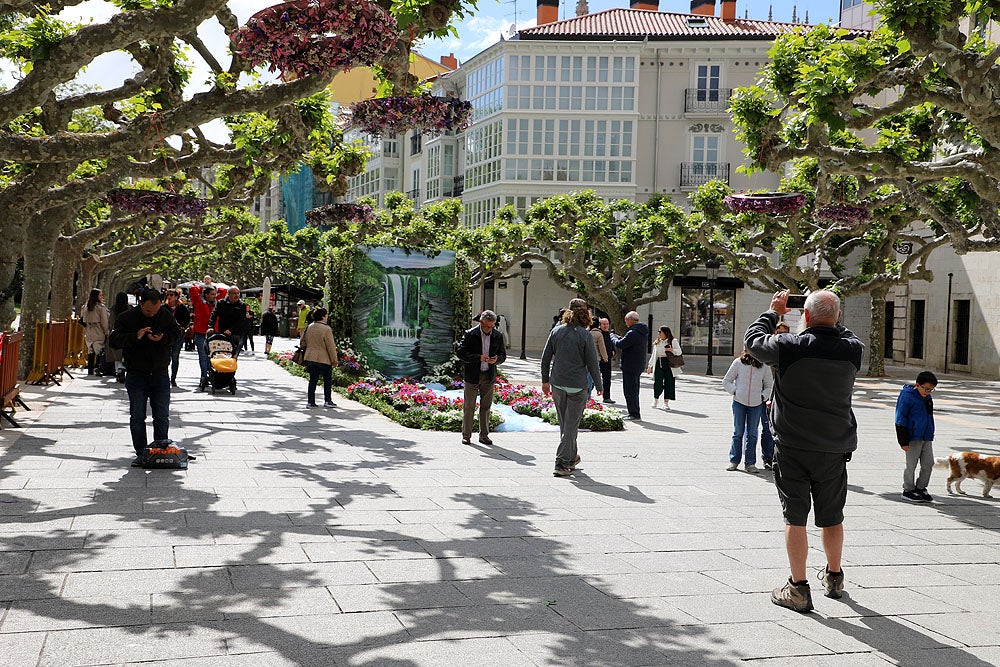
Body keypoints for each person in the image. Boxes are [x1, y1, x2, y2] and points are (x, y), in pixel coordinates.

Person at [746, 289, 863, 613]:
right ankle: (834, 577)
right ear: (837, 318)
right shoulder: (852, 350)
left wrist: (774, 312)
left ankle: (798, 588)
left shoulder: (789, 347)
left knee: (795, 517)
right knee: (832, 517)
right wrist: (830, 313)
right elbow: (843, 330)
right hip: (833, 447)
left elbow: (753, 339)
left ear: (805, 316)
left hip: (793, 447)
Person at [109, 288, 180, 466]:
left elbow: (177, 334)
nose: (152, 314)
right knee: (137, 416)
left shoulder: (165, 315)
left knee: (162, 415)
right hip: (136, 374)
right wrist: (136, 336)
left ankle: (160, 449)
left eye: (155, 311)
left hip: (160, 373)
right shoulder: (127, 317)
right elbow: (114, 340)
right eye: (148, 310)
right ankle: (141, 452)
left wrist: (163, 338)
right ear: (140, 303)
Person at [541, 299, 602, 477]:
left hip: (558, 383)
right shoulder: (585, 335)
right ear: (586, 314)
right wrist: (599, 385)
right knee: (570, 426)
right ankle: (561, 462)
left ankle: (572, 457)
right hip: (577, 386)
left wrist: (545, 381)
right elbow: (592, 364)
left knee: (565, 425)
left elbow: (545, 359)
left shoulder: (556, 331)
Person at [456, 309, 506, 446]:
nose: (490, 329)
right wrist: (478, 358)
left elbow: (503, 355)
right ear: (481, 322)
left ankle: (484, 435)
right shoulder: (470, 334)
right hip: (473, 375)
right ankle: (466, 436)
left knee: (486, 407)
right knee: (469, 406)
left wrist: (496, 360)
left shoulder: (497, 335)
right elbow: (460, 352)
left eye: (492, 326)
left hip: (488, 375)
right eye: (487, 326)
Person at [722, 348, 775, 473]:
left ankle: (750, 463)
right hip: (739, 402)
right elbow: (726, 381)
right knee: (738, 432)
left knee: (752, 434)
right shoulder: (738, 363)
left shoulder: (764, 365)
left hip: (756, 404)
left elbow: (769, 384)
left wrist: (763, 396)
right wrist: (735, 391)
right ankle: (734, 460)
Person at [895, 371, 938, 503]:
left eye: (931, 390)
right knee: (911, 465)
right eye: (926, 389)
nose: (928, 392)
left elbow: (929, 416)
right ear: (917, 385)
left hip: (926, 436)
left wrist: (931, 432)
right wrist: (903, 440)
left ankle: (921, 488)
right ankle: (908, 490)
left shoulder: (928, 397)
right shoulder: (907, 396)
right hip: (912, 437)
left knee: (928, 463)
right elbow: (900, 418)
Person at [759, 321, 789, 469]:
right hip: (767, 394)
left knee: (780, 428)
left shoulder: (790, 350)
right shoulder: (770, 351)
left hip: (782, 395)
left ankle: (778, 456)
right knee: (766, 427)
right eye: (778, 333)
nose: (781, 335)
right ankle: (767, 457)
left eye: (784, 333)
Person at [611, 311, 649, 420]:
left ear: (630, 320)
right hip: (637, 365)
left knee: (629, 391)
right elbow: (627, 341)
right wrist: (619, 337)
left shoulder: (633, 332)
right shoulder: (641, 331)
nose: (625, 322)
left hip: (630, 365)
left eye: (626, 320)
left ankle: (634, 413)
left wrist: (613, 337)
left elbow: (621, 344)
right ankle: (634, 412)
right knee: (634, 390)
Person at [299, 307, 338, 408]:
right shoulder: (326, 329)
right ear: (323, 316)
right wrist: (334, 360)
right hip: (323, 358)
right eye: (326, 315)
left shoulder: (309, 327)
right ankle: (327, 401)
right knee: (327, 380)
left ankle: (310, 402)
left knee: (312, 380)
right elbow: (331, 347)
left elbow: (302, 342)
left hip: (310, 357)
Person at [189, 280, 225, 391]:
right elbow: (192, 289)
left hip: (214, 332)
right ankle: (204, 377)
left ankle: (214, 375)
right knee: (203, 356)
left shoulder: (218, 303)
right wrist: (203, 287)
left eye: (215, 294)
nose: (215, 296)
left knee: (215, 355)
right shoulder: (199, 301)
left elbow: (224, 291)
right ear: (206, 294)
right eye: (212, 294)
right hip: (201, 332)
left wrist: (214, 287)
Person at [209, 285, 249, 358]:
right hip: (222, 332)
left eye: (238, 293)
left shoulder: (242, 305)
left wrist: (231, 329)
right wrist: (210, 327)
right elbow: (214, 315)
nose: (236, 295)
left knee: (233, 355)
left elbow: (242, 320)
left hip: (236, 333)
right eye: (234, 293)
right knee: (220, 353)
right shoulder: (221, 303)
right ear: (228, 294)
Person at [647, 326, 680, 410]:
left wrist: (672, 350)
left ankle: (666, 403)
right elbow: (654, 355)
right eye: (658, 332)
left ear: (665, 332)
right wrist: (649, 366)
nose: (659, 334)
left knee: (669, 383)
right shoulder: (657, 342)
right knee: (658, 382)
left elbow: (679, 352)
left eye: (660, 332)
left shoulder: (673, 341)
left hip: (670, 364)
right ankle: (656, 399)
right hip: (659, 363)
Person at [163, 289, 190, 387]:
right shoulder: (164, 307)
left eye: (171, 295)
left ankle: (173, 378)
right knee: (166, 357)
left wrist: (182, 326)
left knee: (175, 356)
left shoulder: (182, 307)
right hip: (166, 336)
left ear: (176, 296)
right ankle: (165, 377)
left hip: (178, 336)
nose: (169, 296)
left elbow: (187, 320)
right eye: (167, 295)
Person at [80, 288, 110, 376]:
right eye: (100, 295)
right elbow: (104, 321)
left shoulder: (85, 307)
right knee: (99, 349)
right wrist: (106, 332)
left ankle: (90, 369)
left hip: (89, 330)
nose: (101, 297)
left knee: (90, 349)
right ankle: (99, 367)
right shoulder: (101, 307)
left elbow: (82, 318)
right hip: (98, 330)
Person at [107, 291, 131, 382]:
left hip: (116, 334)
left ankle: (118, 370)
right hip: (127, 334)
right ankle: (123, 368)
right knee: (125, 352)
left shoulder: (113, 309)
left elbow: (110, 321)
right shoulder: (129, 309)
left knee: (116, 354)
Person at [588, 317, 608, 397]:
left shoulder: (587, 332)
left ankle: (588, 393)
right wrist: (605, 357)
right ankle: (588, 394)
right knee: (593, 376)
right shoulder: (599, 334)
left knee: (588, 376)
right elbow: (602, 347)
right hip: (596, 358)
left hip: (586, 358)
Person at [598, 318, 615, 403]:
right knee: (594, 379)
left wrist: (613, 351)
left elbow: (612, 345)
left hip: (608, 360)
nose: (606, 326)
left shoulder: (610, 334)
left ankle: (606, 397)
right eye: (604, 324)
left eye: (607, 324)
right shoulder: (599, 334)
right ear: (600, 325)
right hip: (599, 360)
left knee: (607, 379)